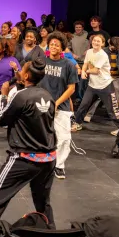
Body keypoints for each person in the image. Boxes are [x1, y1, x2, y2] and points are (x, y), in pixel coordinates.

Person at [0, 59, 56, 224]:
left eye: (22, 70)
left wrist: (5, 96)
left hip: (24, 157)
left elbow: (2, 119)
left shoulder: (20, 97)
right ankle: (52, 236)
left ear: (26, 75)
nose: (19, 71)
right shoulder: (47, 95)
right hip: (48, 158)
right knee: (43, 203)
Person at [39, 32, 79, 180]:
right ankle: (41, 164)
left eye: (57, 44)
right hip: (41, 104)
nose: (54, 46)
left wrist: (56, 103)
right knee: (41, 136)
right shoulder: (42, 61)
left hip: (60, 107)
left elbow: (71, 88)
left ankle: (59, 166)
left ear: (62, 47)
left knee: (64, 138)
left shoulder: (69, 65)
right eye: (52, 43)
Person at [72, 34, 119, 132]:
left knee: (112, 109)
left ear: (102, 43)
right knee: (83, 105)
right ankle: (77, 123)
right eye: (94, 40)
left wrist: (85, 72)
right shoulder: (89, 51)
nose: (96, 42)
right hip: (92, 85)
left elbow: (95, 70)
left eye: (98, 41)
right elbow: (85, 63)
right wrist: (82, 72)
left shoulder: (102, 55)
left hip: (105, 85)